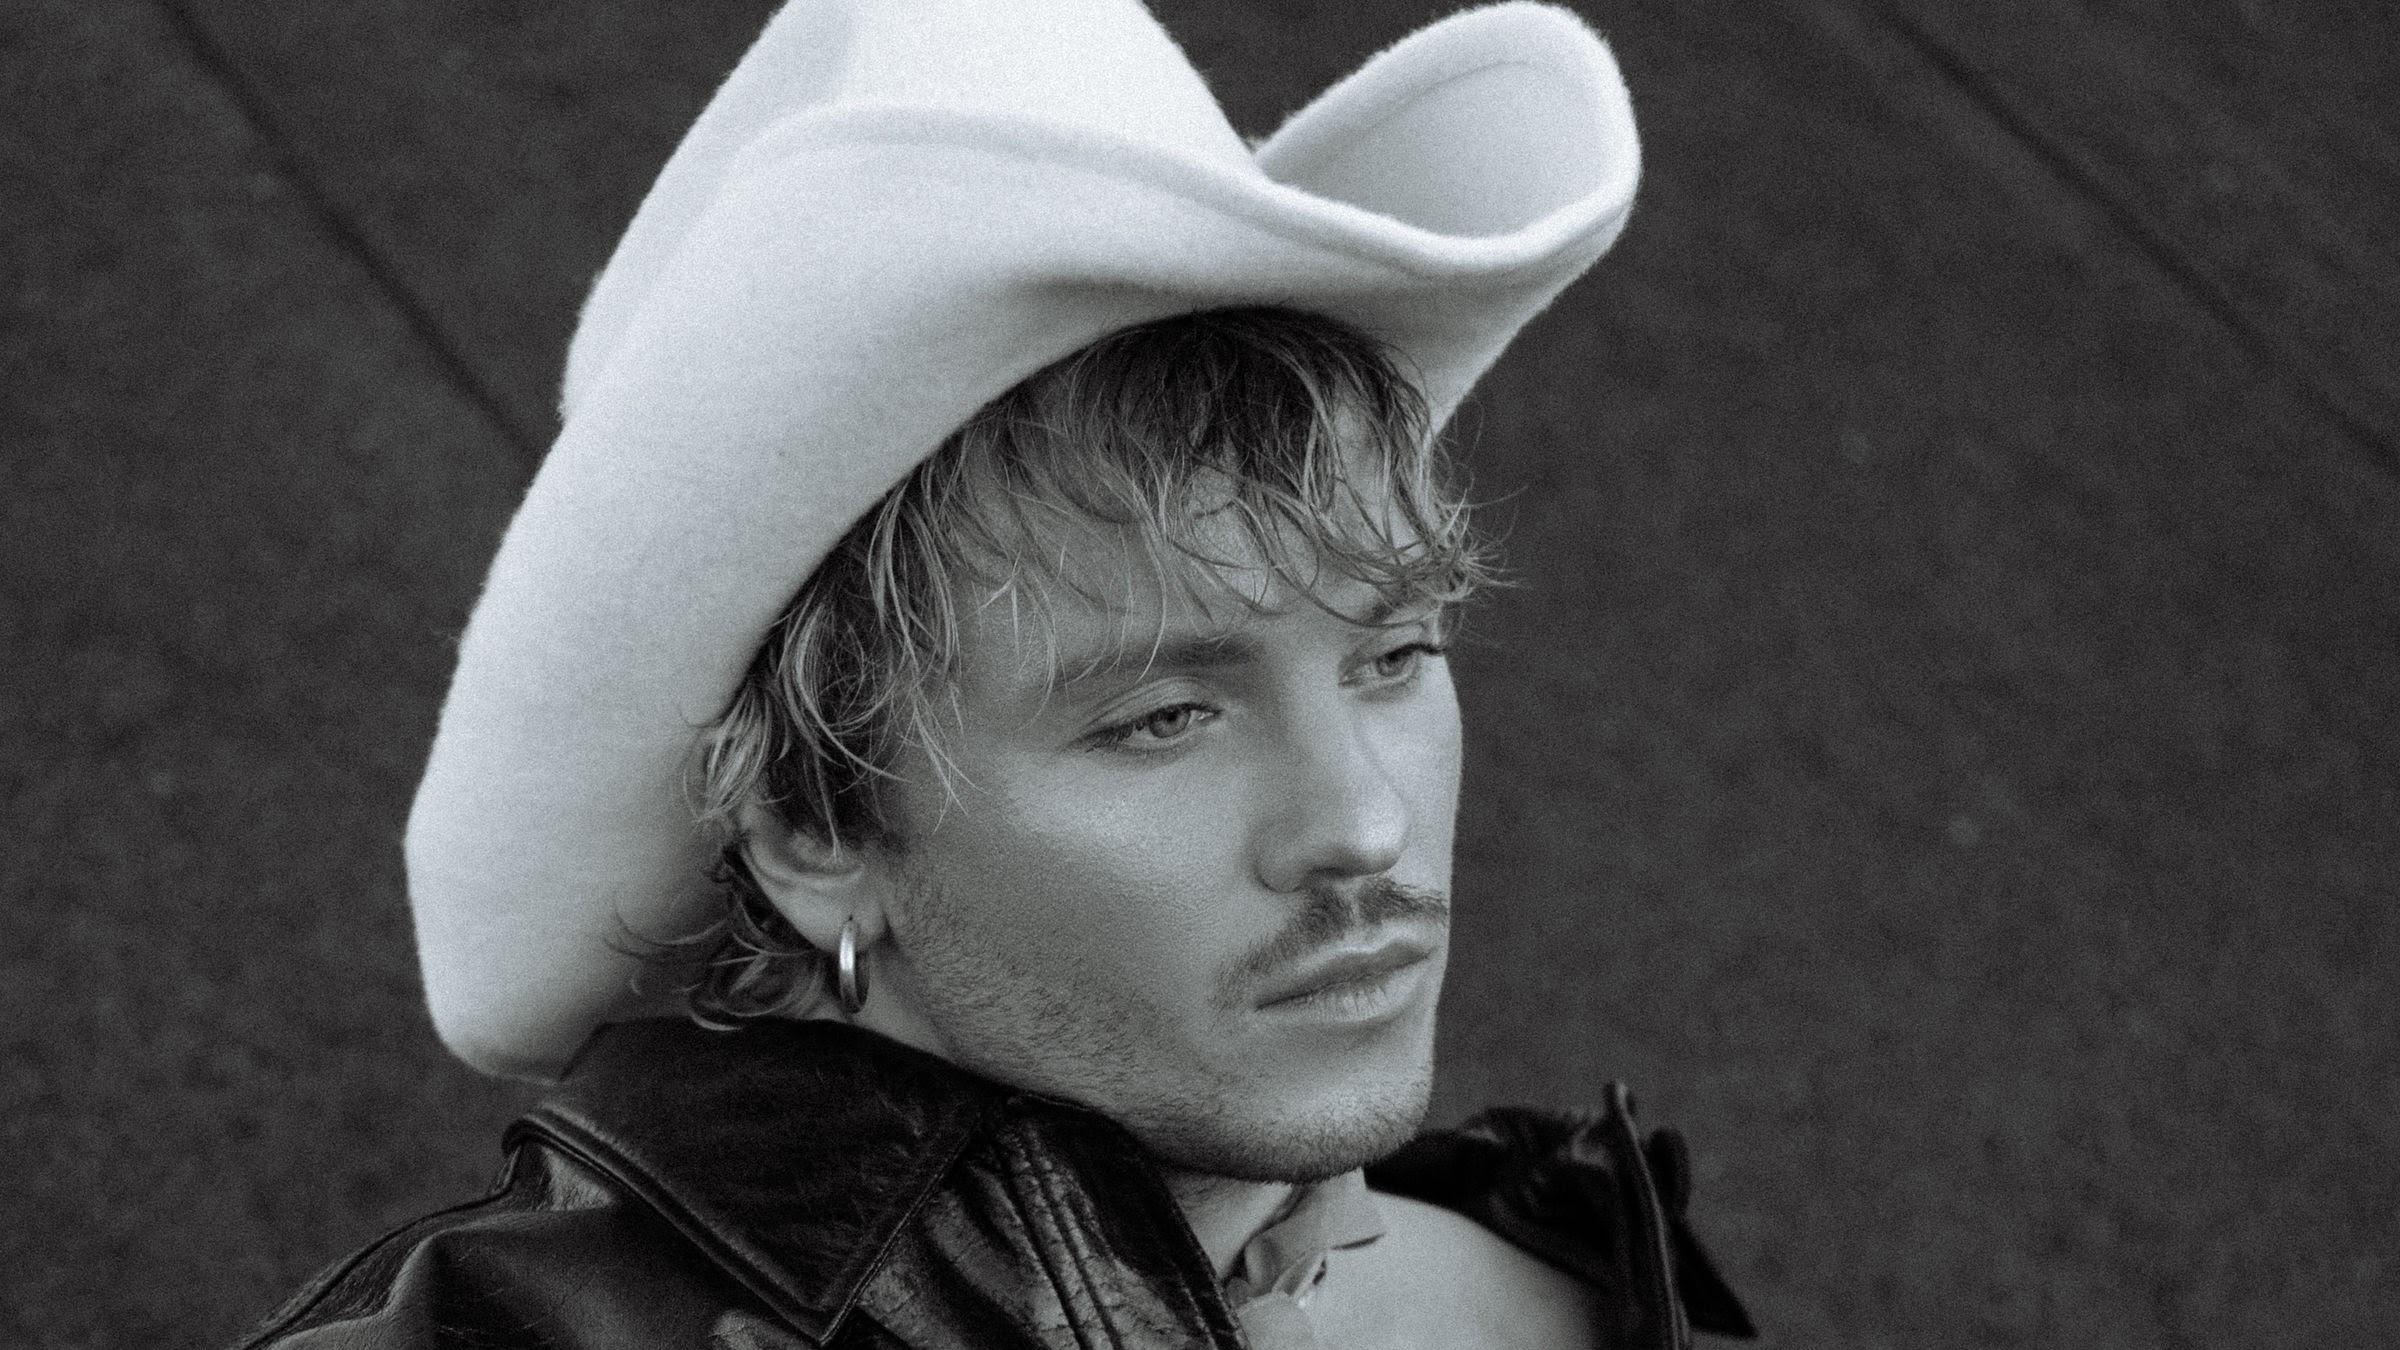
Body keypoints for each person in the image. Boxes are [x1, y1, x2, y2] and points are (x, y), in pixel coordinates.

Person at [239, 2, 1755, 1347]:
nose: (1363, 825)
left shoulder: (1575, 1293)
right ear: (818, 831)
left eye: (1396, 654)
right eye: (1164, 715)